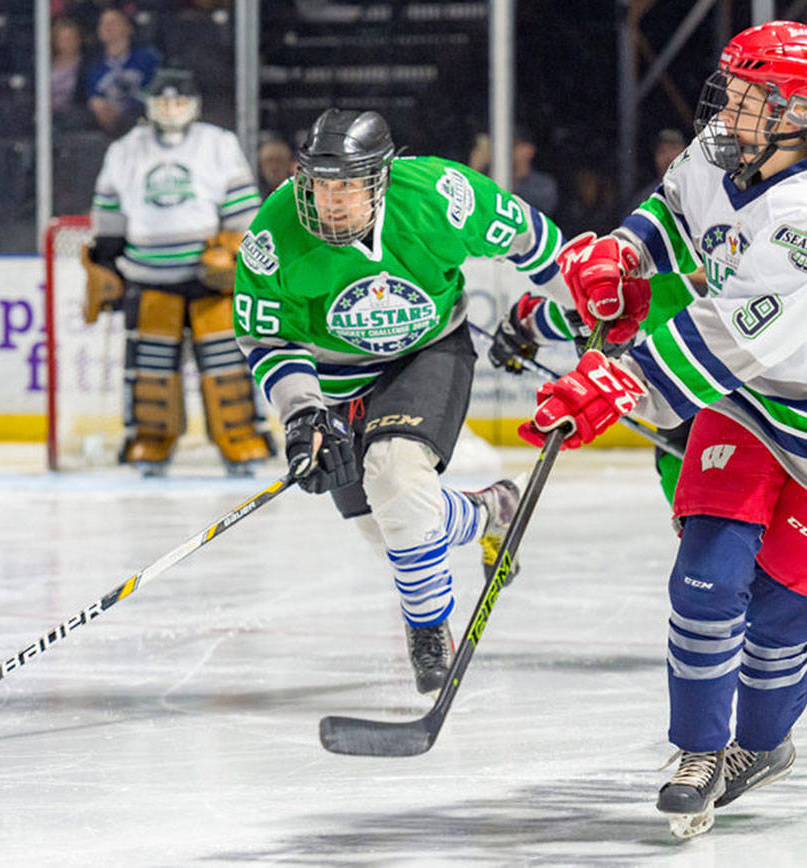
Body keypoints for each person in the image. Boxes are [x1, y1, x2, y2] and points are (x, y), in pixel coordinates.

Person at [518, 21, 807, 838]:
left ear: (801, 113)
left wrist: (619, 377)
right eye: (734, 88)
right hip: (752, 395)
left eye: (751, 94)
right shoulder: (724, 143)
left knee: (780, 609)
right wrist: (625, 259)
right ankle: (699, 752)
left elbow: (729, 333)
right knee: (706, 575)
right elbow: (675, 212)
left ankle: (763, 745)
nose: (728, 105)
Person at [231, 109, 569, 695]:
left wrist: (575, 308)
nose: (329, 202)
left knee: (395, 475)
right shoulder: (273, 233)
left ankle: (429, 631)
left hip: (426, 355)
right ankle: (492, 511)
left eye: (346, 186)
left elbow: (537, 244)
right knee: (388, 524)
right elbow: (266, 337)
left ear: (381, 178)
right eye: (318, 184)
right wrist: (304, 413)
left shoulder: (440, 196)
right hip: (334, 382)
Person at [487, 272, 807, 665]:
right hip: (683, 439)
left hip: (757, 417)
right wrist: (523, 324)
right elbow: (569, 315)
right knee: (715, 542)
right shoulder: (621, 295)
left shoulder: (699, 284)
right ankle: (734, 636)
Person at [82, 69, 274, 476]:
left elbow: (244, 212)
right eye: (163, 102)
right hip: (148, 278)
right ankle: (149, 446)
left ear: (194, 106)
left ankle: (241, 441)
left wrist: (235, 252)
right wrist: (104, 263)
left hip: (210, 279)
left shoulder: (218, 144)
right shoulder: (124, 150)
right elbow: (108, 215)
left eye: (179, 102)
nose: (171, 110)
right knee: (150, 372)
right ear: (149, 105)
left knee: (228, 369)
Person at [85, 7, 159, 137]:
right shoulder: (94, 67)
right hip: (107, 123)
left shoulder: (147, 58)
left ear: (128, 28)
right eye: (103, 23)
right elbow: (95, 98)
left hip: (140, 119)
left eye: (113, 23)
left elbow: (156, 90)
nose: (107, 27)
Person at [630, 128, 688, 211]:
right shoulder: (645, 201)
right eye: (663, 151)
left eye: (674, 149)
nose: (669, 158)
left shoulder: (700, 193)